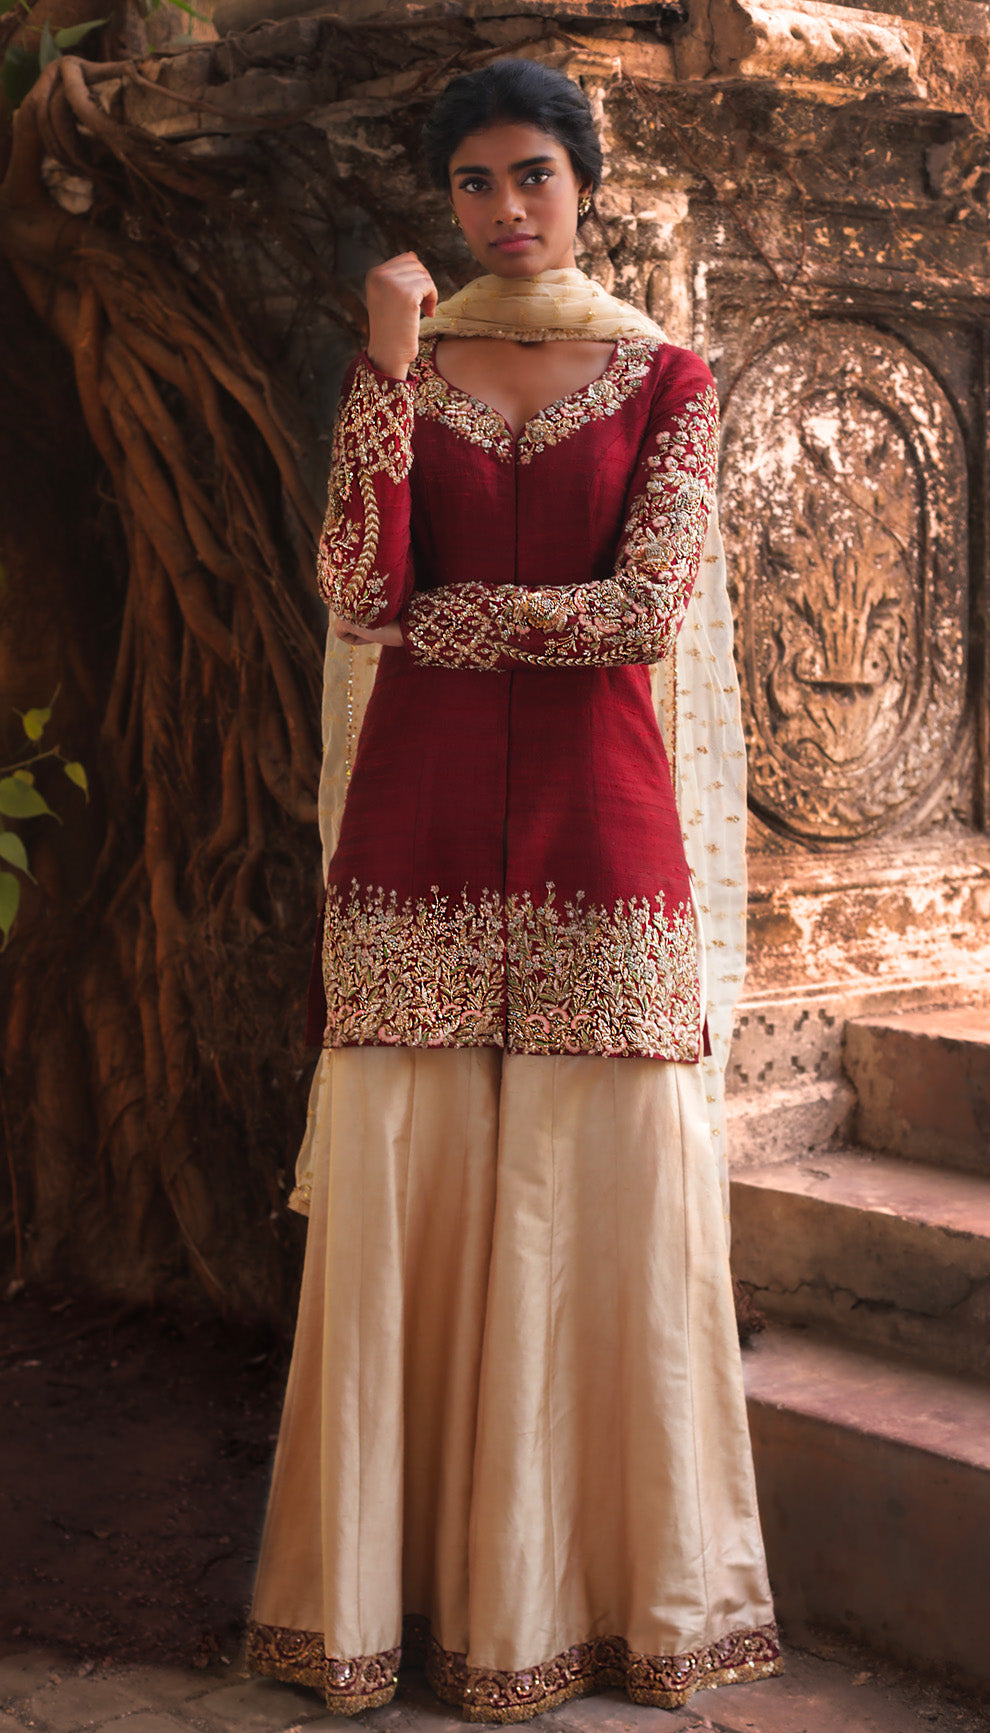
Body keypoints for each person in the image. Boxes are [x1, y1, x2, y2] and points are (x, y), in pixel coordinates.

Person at [246, 56, 781, 1724]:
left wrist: (464, 624)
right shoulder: (402, 368)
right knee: (422, 1191)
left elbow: (641, 608)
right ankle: (381, 1605)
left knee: (590, 1207)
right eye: (474, 181)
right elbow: (356, 580)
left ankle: (603, 1608)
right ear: (446, 201)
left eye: (532, 174)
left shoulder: (665, 377)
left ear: (586, 185)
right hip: (409, 837)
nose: (504, 207)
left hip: (600, 842)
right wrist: (388, 369)